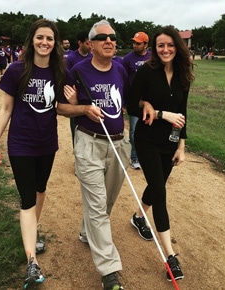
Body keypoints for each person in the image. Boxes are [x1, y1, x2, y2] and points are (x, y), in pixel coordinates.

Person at [0, 19, 66, 289]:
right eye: (39, 38)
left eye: (49, 38)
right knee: (26, 199)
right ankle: (31, 261)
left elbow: (66, 102)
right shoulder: (16, 70)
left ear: (55, 43)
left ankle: (33, 232)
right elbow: (7, 108)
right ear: (31, 41)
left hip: (47, 144)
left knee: (40, 189)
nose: (44, 42)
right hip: (21, 144)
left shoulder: (60, 71)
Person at [57, 19, 130, 290]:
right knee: (98, 205)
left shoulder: (121, 69)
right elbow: (61, 108)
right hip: (89, 143)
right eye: (102, 38)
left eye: (112, 37)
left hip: (119, 145)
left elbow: (130, 101)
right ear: (91, 43)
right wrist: (83, 109)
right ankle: (109, 272)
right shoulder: (76, 70)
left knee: (107, 201)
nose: (109, 41)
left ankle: (87, 232)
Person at [127, 26, 195, 282]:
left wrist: (181, 147)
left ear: (177, 46)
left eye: (170, 45)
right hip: (146, 141)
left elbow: (183, 111)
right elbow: (131, 105)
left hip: (170, 143)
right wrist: (158, 113)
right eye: (160, 45)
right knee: (160, 190)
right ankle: (170, 256)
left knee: (157, 186)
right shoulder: (146, 72)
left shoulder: (183, 75)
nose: (165, 49)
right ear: (154, 49)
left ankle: (137, 217)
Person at [122, 32, 151, 170]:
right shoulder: (127, 59)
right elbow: (123, 80)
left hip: (151, 100)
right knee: (134, 130)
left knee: (150, 129)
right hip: (135, 100)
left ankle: (147, 157)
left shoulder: (153, 58)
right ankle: (134, 158)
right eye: (134, 42)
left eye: (138, 43)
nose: (135, 45)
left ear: (146, 44)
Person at [66, 31, 92, 146]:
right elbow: (67, 79)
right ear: (80, 43)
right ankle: (77, 153)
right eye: (87, 43)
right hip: (76, 99)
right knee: (76, 128)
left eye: (91, 43)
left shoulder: (92, 56)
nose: (90, 46)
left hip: (90, 97)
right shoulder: (71, 58)